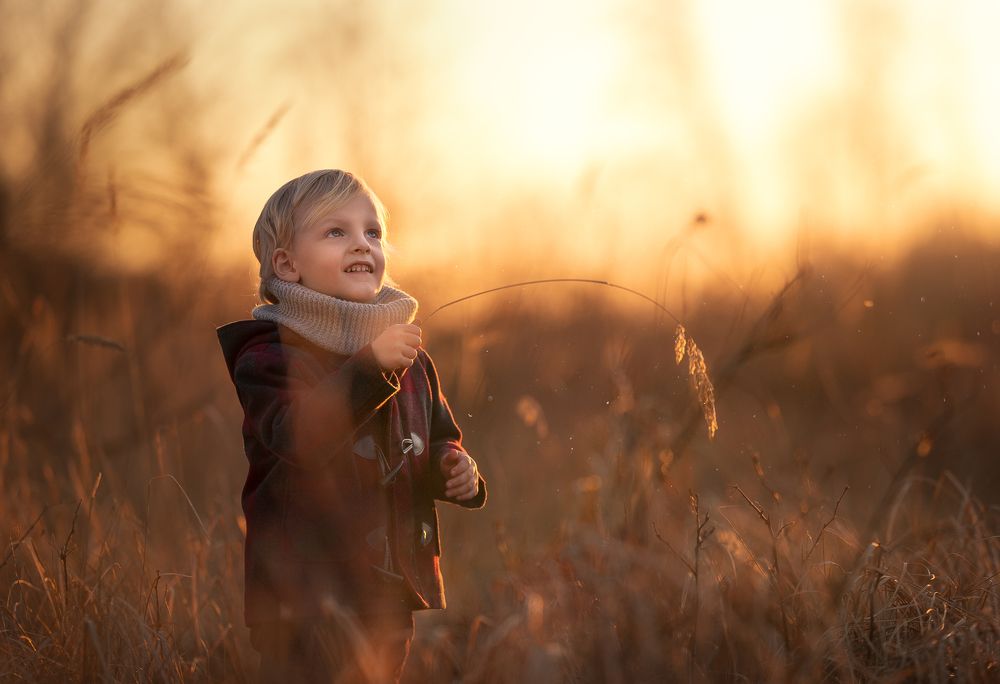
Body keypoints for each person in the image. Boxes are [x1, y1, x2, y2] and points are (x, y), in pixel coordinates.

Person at [216, 169, 487, 683]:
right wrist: (369, 368)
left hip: (388, 588)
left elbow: (436, 438)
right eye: (335, 232)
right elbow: (296, 437)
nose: (361, 244)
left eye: (373, 232)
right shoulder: (270, 354)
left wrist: (453, 467)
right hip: (302, 594)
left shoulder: (410, 357)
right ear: (287, 265)